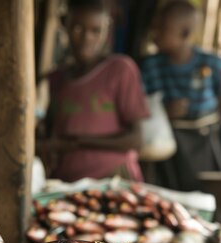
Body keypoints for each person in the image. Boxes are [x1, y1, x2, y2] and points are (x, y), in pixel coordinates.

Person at [37, 0, 150, 183]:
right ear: (65, 25)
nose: (86, 38)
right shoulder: (57, 79)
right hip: (66, 184)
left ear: (107, 32)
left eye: (95, 31)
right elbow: (50, 132)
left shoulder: (120, 70)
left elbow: (135, 140)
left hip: (113, 181)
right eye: (78, 28)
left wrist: (76, 143)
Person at [141, 0, 221, 192]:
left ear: (185, 33)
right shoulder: (149, 67)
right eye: (154, 26)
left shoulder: (212, 64)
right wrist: (164, 112)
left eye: (161, 28)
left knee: (208, 192)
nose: (154, 33)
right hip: (169, 148)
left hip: (206, 143)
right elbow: (142, 107)